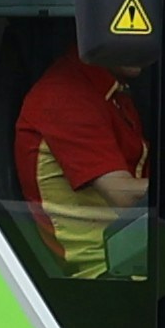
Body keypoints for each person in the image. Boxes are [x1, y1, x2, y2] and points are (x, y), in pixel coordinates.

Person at [12, 39, 154, 278]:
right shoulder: (65, 96)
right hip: (104, 272)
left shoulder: (111, 92)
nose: (143, 43)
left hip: (134, 251)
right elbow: (125, 195)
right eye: (128, 32)